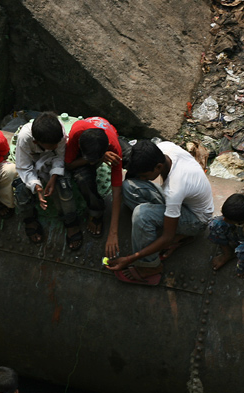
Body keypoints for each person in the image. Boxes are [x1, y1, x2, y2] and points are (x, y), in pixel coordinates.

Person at [105, 138, 214, 285]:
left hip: (196, 220)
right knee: (129, 187)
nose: (143, 179)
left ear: (158, 167)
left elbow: (167, 236)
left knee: (141, 214)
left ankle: (149, 267)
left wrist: (130, 258)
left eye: (145, 175)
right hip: (184, 202)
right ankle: (175, 234)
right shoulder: (164, 148)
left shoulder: (175, 188)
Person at [12, 112, 82, 249]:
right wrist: (36, 186)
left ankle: (71, 223)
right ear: (36, 142)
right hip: (33, 163)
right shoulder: (25, 138)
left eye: (57, 143)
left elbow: (59, 155)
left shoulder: (58, 133)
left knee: (65, 188)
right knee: (21, 191)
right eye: (52, 145)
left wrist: (54, 176)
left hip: (51, 161)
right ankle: (30, 220)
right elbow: (24, 167)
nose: (56, 145)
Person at [63, 116, 124, 258]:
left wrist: (113, 233)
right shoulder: (77, 132)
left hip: (107, 138)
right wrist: (89, 160)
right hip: (90, 142)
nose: (92, 164)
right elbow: (69, 164)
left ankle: (96, 212)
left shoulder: (114, 148)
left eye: (94, 161)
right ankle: (94, 207)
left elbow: (117, 192)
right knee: (81, 177)